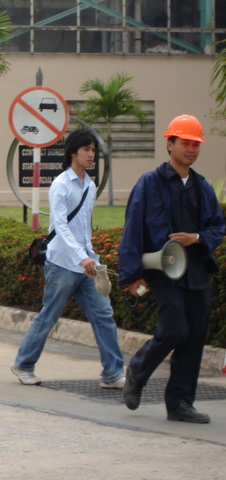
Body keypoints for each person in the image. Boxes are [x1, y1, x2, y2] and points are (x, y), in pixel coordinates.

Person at [118, 114, 224, 423]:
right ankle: (138, 370)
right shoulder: (149, 183)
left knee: (194, 338)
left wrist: (197, 238)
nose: (191, 149)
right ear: (170, 144)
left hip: (195, 271)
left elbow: (216, 226)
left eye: (196, 144)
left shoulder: (202, 187)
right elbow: (133, 228)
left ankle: (180, 404)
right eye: (185, 143)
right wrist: (132, 275)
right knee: (175, 329)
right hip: (161, 271)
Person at [10, 129, 125, 388]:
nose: (91, 155)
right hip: (62, 263)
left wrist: (90, 256)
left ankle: (112, 373)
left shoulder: (90, 186)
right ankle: (23, 364)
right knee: (49, 316)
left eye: (93, 150)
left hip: (86, 265)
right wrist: (81, 257)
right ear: (73, 152)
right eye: (86, 150)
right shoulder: (61, 184)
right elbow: (60, 225)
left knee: (104, 315)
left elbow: (84, 227)